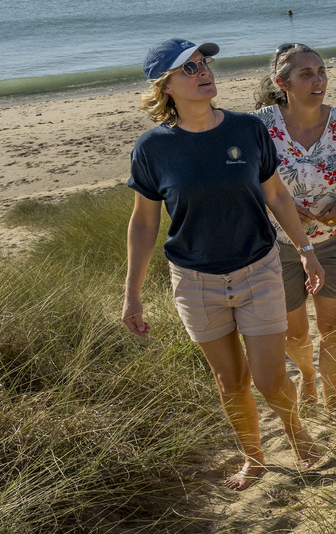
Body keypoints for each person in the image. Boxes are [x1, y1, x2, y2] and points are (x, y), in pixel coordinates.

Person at [122, 38, 324, 491]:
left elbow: (275, 194)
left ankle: (298, 436)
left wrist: (306, 250)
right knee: (230, 382)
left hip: (258, 269)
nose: (203, 72)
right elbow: (144, 222)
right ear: (165, 86)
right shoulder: (152, 149)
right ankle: (254, 459)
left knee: (272, 380)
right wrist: (132, 293)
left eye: (203, 63)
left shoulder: (246, 130)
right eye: (188, 70)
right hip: (195, 281)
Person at [253, 43, 336, 418]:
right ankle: (306, 374)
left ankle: (332, 402)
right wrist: (282, 207)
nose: (318, 80)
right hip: (278, 245)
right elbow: (244, 183)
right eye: (306, 74)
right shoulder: (258, 127)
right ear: (281, 82)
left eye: (321, 71)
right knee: (295, 333)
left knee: (334, 326)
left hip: (334, 240)